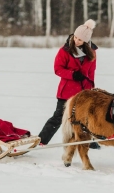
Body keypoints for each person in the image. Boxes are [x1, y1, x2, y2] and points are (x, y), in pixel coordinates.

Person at [38, 19, 100, 149]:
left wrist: (91, 90)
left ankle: (90, 142)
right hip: (67, 91)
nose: (76, 41)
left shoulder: (92, 52)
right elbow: (57, 69)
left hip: (84, 92)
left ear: (86, 41)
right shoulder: (65, 50)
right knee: (58, 117)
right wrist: (72, 74)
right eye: (75, 37)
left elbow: (91, 72)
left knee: (86, 118)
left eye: (80, 40)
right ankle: (41, 140)